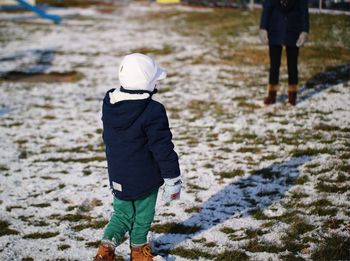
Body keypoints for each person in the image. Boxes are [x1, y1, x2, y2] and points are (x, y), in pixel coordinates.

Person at [94, 53, 182, 261]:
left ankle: (106, 248)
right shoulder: (153, 111)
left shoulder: (110, 104)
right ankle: (138, 252)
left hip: (118, 175)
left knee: (122, 214)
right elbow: (162, 148)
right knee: (142, 216)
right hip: (145, 177)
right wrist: (173, 179)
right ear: (147, 83)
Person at [259, 0, 309, 105]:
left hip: (293, 32)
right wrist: (263, 28)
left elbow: (304, 12)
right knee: (274, 65)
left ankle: (292, 95)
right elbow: (267, 9)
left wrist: (304, 31)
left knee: (292, 65)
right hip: (275, 30)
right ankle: (271, 95)